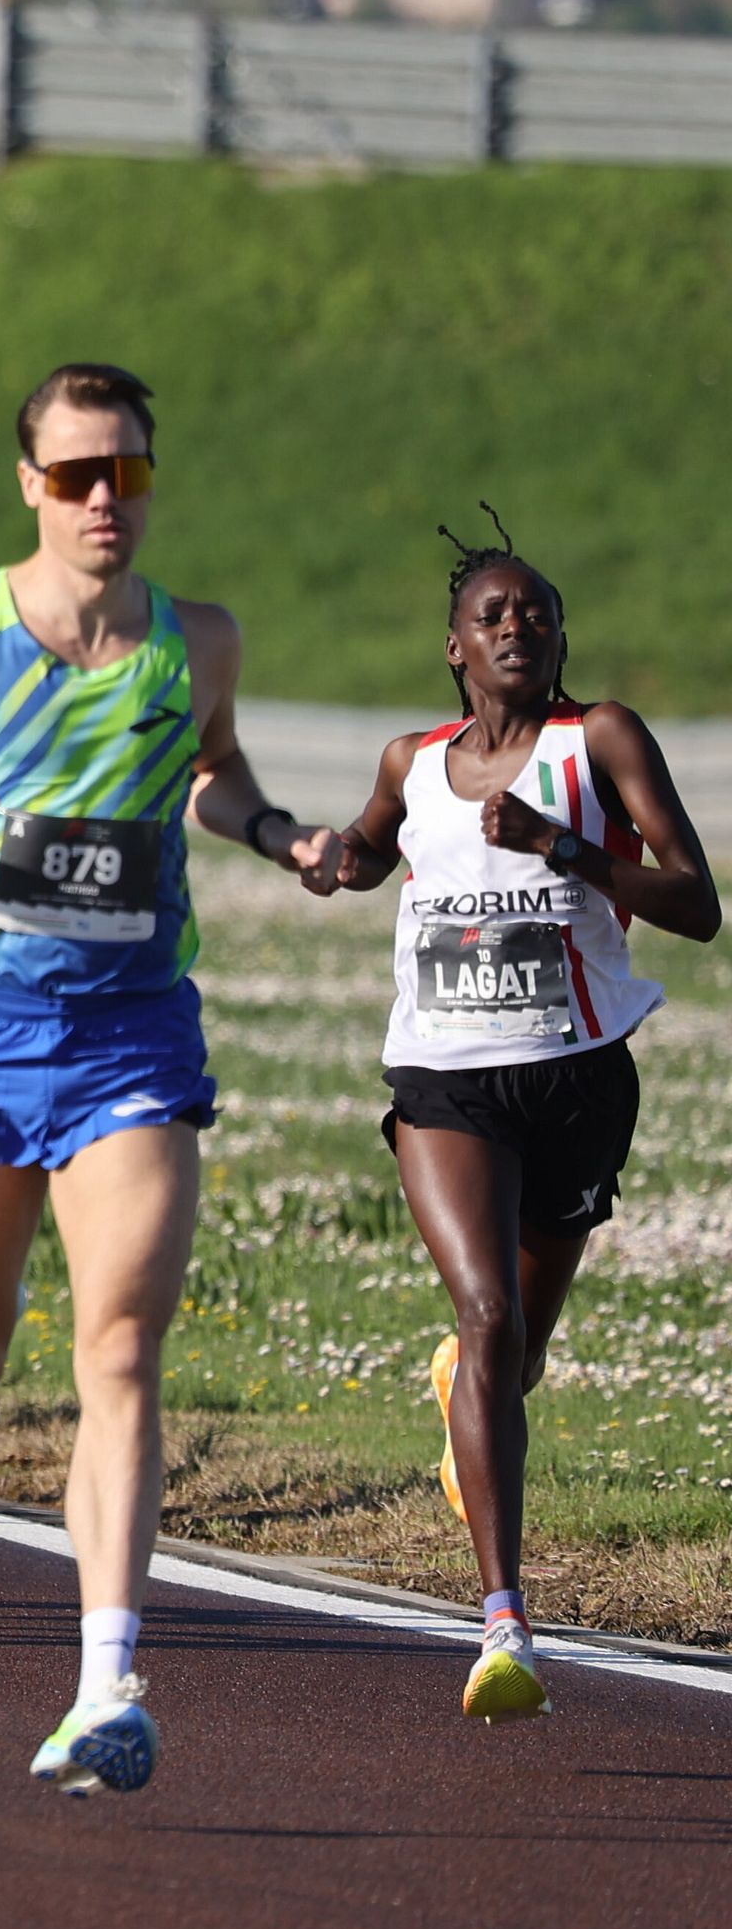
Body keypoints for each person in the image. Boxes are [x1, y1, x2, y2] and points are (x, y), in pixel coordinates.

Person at [0, 361, 331, 1795]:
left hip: (134, 1037)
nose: (107, 500)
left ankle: (105, 1681)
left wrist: (274, 831)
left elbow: (209, 769)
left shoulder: (193, 638)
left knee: (120, 1350)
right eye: (80, 474)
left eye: (130, 474)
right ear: (30, 482)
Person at [292, 521, 716, 1721]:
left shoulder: (601, 741)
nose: (517, 629)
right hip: (444, 1082)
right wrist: (328, 859)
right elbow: (371, 853)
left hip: (577, 1076)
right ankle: (503, 1623)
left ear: (560, 637)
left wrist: (565, 850)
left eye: (536, 614)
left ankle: (472, 1388)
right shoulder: (409, 761)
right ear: (453, 649)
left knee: (514, 1347)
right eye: (494, 616)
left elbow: (695, 903)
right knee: (484, 1313)